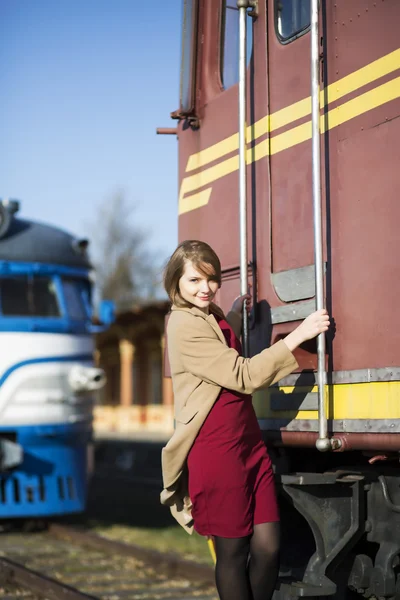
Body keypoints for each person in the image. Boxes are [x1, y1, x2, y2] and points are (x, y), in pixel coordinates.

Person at [160, 240, 329, 600]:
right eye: (194, 281)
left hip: (248, 445)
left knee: (268, 548)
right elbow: (242, 375)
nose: (205, 288)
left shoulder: (210, 316)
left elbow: (220, 337)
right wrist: (300, 334)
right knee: (233, 554)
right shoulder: (181, 324)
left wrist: (235, 314)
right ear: (176, 284)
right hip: (216, 450)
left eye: (211, 279)